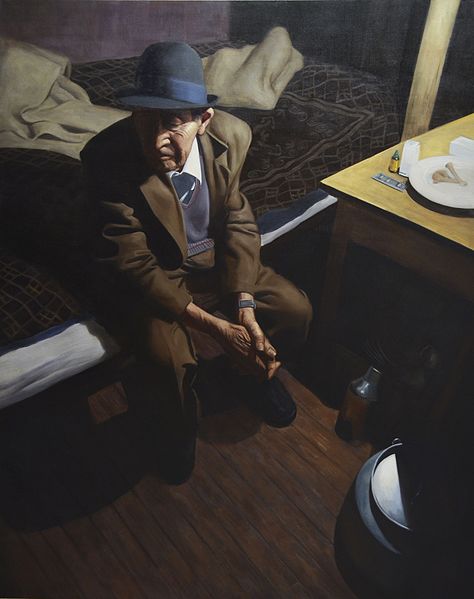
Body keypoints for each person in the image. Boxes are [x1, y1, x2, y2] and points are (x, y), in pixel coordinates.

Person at [81, 42, 312, 484]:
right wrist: (217, 329)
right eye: (145, 118)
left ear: (203, 120)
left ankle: (248, 377)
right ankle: (174, 430)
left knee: (294, 309)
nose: (156, 140)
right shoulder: (104, 157)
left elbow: (239, 220)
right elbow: (134, 264)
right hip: (156, 272)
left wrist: (244, 308)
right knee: (167, 362)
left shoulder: (234, 136)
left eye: (172, 123)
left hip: (211, 259)